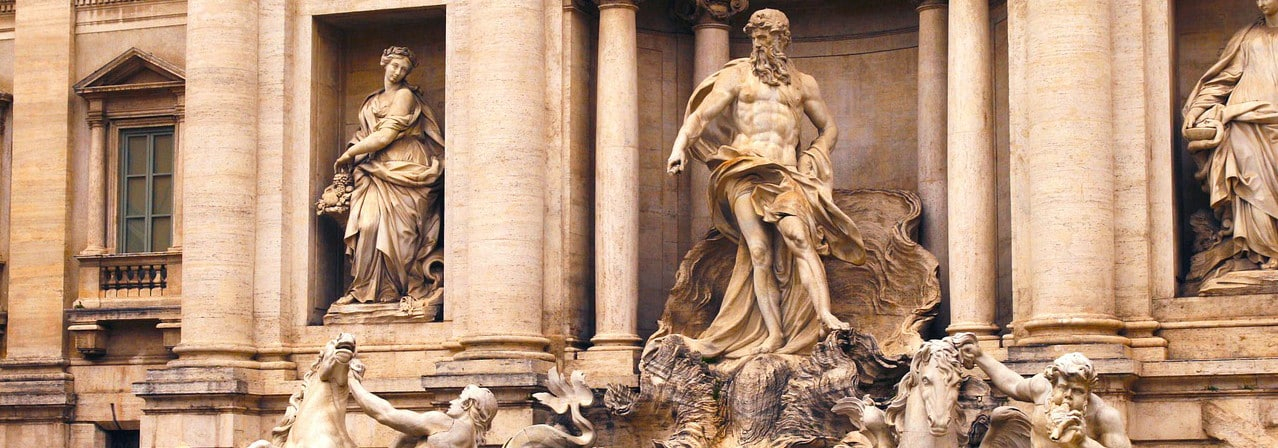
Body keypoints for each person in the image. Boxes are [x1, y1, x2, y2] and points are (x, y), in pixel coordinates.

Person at [663, 8, 865, 359]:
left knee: (800, 238)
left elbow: (829, 127)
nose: (761, 44)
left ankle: (824, 316)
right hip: (743, 168)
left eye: (767, 38)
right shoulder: (738, 77)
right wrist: (679, 146)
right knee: (759, 251)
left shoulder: (804, 83)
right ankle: (772, 334)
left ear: (783, 39)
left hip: (785, 173)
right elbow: (702, 115)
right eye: (756, 38)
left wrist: (813, 154)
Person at [333, 46, 446, 305]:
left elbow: (385, 136)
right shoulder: (371, 101)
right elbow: (366, 134)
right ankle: (363, 288)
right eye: (395, 65)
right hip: (375, 169)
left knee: (402, 235)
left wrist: (349, 156)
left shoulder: (405, 96)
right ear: (384, 62)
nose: (398, 72)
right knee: (368, 225)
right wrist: (355, 149)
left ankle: (393, 290)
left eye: (404, 69)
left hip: (406, 166)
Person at [1183, 0, 1278, 274]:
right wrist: (1198, 109)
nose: (1261, 1)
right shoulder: (1247, 37)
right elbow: (1222, 79)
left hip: (1270, 118)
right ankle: (1264, 251)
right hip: (1245, 125)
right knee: (1251, 187)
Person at [955, 336, 1131, 448]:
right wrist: (979, 356)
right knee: (1000, 416)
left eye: (1077, 391)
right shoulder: (1041, 388)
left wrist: (1083, 442)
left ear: (1088, 393)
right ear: (1053, 384)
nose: (1068, 395)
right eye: (1062, 388)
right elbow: (1012, 384)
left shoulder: (1105, 416)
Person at [347, 359, 496, 448]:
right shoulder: (469, 440)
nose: (451, 402)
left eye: (458, 399)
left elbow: (385, 414)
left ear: (468, 404)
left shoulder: (445, 423)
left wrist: (353, 381)